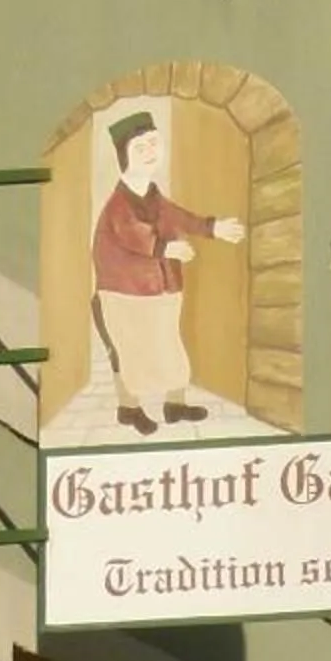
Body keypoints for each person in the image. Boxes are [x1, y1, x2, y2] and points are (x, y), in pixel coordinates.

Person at [91, 112, 245, 437]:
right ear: (124, 154)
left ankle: (175, 405)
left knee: (169, 347)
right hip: (124, 293)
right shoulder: (118, 203)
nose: (149, 150)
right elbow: (132, 233)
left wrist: (212, 227)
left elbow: (179, 217)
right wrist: (167, 249)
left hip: (160, 290)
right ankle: (128, 409)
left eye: (153, 143)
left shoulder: (154, 196)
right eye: (140, 146)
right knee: (130, 350)